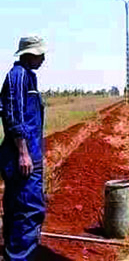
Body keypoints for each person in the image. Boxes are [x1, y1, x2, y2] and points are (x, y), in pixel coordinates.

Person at [0, 36, 47, 260]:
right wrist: (23, 153)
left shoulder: (29, 77)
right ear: (28, 54)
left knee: (16, 209)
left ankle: (13, 254)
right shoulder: (18, 77)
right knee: (29, 210)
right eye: (40, 54)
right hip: (22, 157)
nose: (43, 58)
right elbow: (13, 117)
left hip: (28, 154)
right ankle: (19, 256)